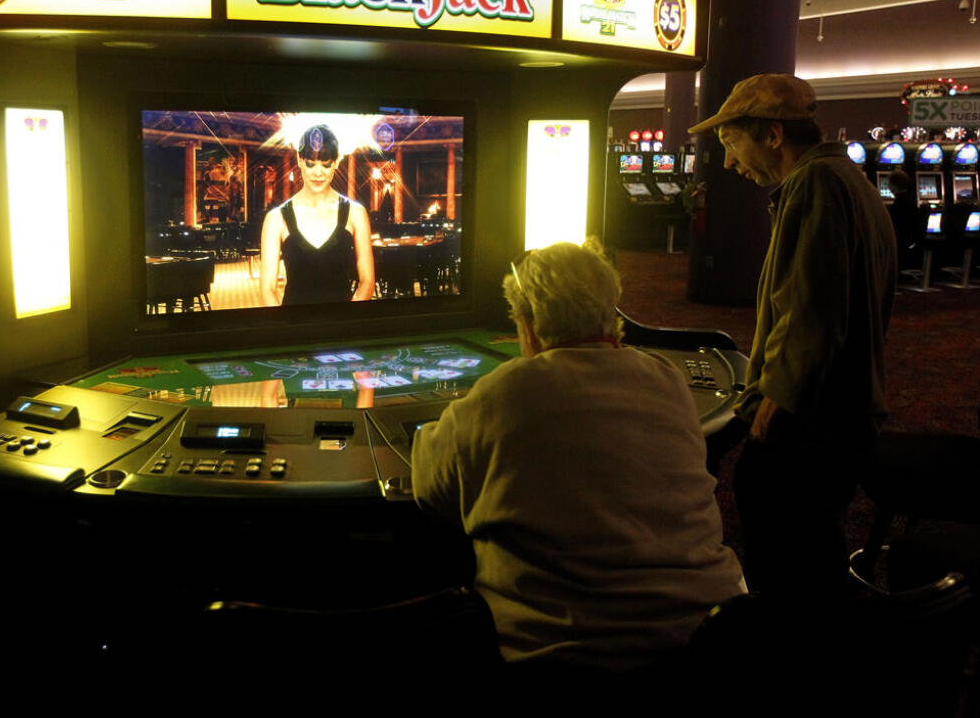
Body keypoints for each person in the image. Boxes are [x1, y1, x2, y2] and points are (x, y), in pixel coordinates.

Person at [411, 241, 746, 671]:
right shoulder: (666, 381)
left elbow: (428, 486)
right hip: (709, 644)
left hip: (563, 660)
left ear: (528, 325)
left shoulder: (504, 390)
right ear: (612, 316)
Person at [687, 73, 898, 595]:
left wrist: (774, 404)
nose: (731, 163)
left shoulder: (817, 184)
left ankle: (790, 659)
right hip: (845, 411)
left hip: (813, 420)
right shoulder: (846, 178)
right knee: (813, 550)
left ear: (774, 135)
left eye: (732, 142)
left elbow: (812, 311)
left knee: (785, 557)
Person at [259, 125, 374, 305]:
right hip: (293, 325)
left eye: (326, 164)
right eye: (310, 164)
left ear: (336, 162)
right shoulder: (275, 219)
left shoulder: (356, 213)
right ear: (299, 159)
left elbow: (367, 282)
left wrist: (347, 322)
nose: (318, 173)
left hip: (344, 325)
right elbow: (268, 289)